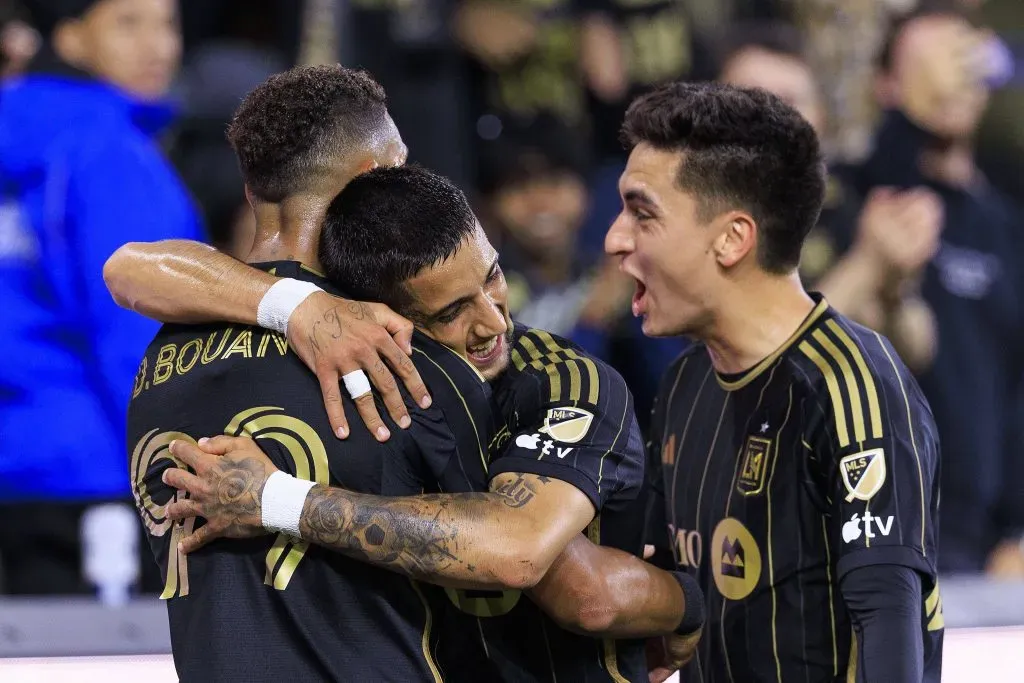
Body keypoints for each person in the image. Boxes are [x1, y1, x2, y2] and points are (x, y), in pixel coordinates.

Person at [110, 67, 702, 681]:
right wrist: (686, 599)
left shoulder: (160, 358)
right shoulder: (411, 362)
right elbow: (556, 574)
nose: (488, 323)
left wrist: (296, 309)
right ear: (376, 180)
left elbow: (128, 267)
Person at [605, 81, 942, 682]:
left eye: (642, 212)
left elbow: (890, 634)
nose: (614, 239)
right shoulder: (685, 381)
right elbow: (657, 603)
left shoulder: (852, 389)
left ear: (733, 238)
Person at [0, 0, 201, 597]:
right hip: (101, 473)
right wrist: (180, 468)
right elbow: (139, 337)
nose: (158, 47)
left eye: (167, 23)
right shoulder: (106, 148)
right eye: (127, 22)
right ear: (69, 36)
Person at [856, 6, 1024, 576]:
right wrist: (913, 116)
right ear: (887, 87)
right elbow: (885, 163)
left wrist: (1018, 526)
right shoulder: (868, 193)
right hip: (886, 520)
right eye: (926, 65)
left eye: (960, 62)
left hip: (989, 535)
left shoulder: (1007, 224)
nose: (949, 80)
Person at [715, 21, 942, 376]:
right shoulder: (698, 220)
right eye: (750, 101)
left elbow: (917, 348)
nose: (770, 122)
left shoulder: (846, 205)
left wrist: (893, 292)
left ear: (818, 117)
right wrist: (868, 264)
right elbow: (767, 359)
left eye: (788, 102)